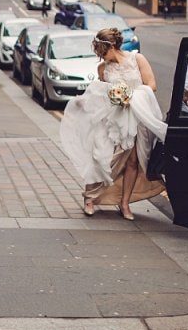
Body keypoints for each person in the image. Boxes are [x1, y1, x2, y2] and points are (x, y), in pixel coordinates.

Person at [59, 28, 167, 220]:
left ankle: (124, 204)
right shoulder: (103, 68)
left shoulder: (137, 59)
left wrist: (130, 96)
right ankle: (90, 198)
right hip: (112, 120)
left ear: (113, 47)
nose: (101, 56)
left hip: (136, 117)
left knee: (133, 162)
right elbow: (103, 94)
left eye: (103, 52)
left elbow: (152, 85)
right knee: (102, 158)